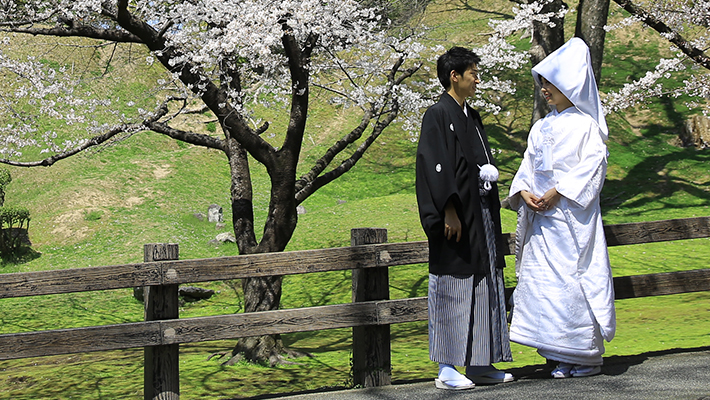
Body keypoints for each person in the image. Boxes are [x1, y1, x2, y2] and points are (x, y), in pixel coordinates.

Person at [508, 37, 616, 379]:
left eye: (550, 84)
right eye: (542, 85)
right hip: (543, 223)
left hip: (571, 221)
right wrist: (524, 192)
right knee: (545, 285)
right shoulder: (541, 127)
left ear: (571, 85)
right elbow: (528, 166)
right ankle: (556, 354)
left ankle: (584, 355)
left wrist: (558, 191)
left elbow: (592, 167)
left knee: (573, 282)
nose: (545, 91)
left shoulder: (587, 126)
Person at [416, 46, 513, 390]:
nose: (477, 79)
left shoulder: (471, 116)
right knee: (452, 285)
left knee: (485, 281)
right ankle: (446, 367)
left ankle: (480, 363)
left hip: (481, 212)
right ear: (454, 76)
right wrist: (449, 210)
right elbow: (434, 166)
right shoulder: (437, 114)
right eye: (472, 73)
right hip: (455, 216)